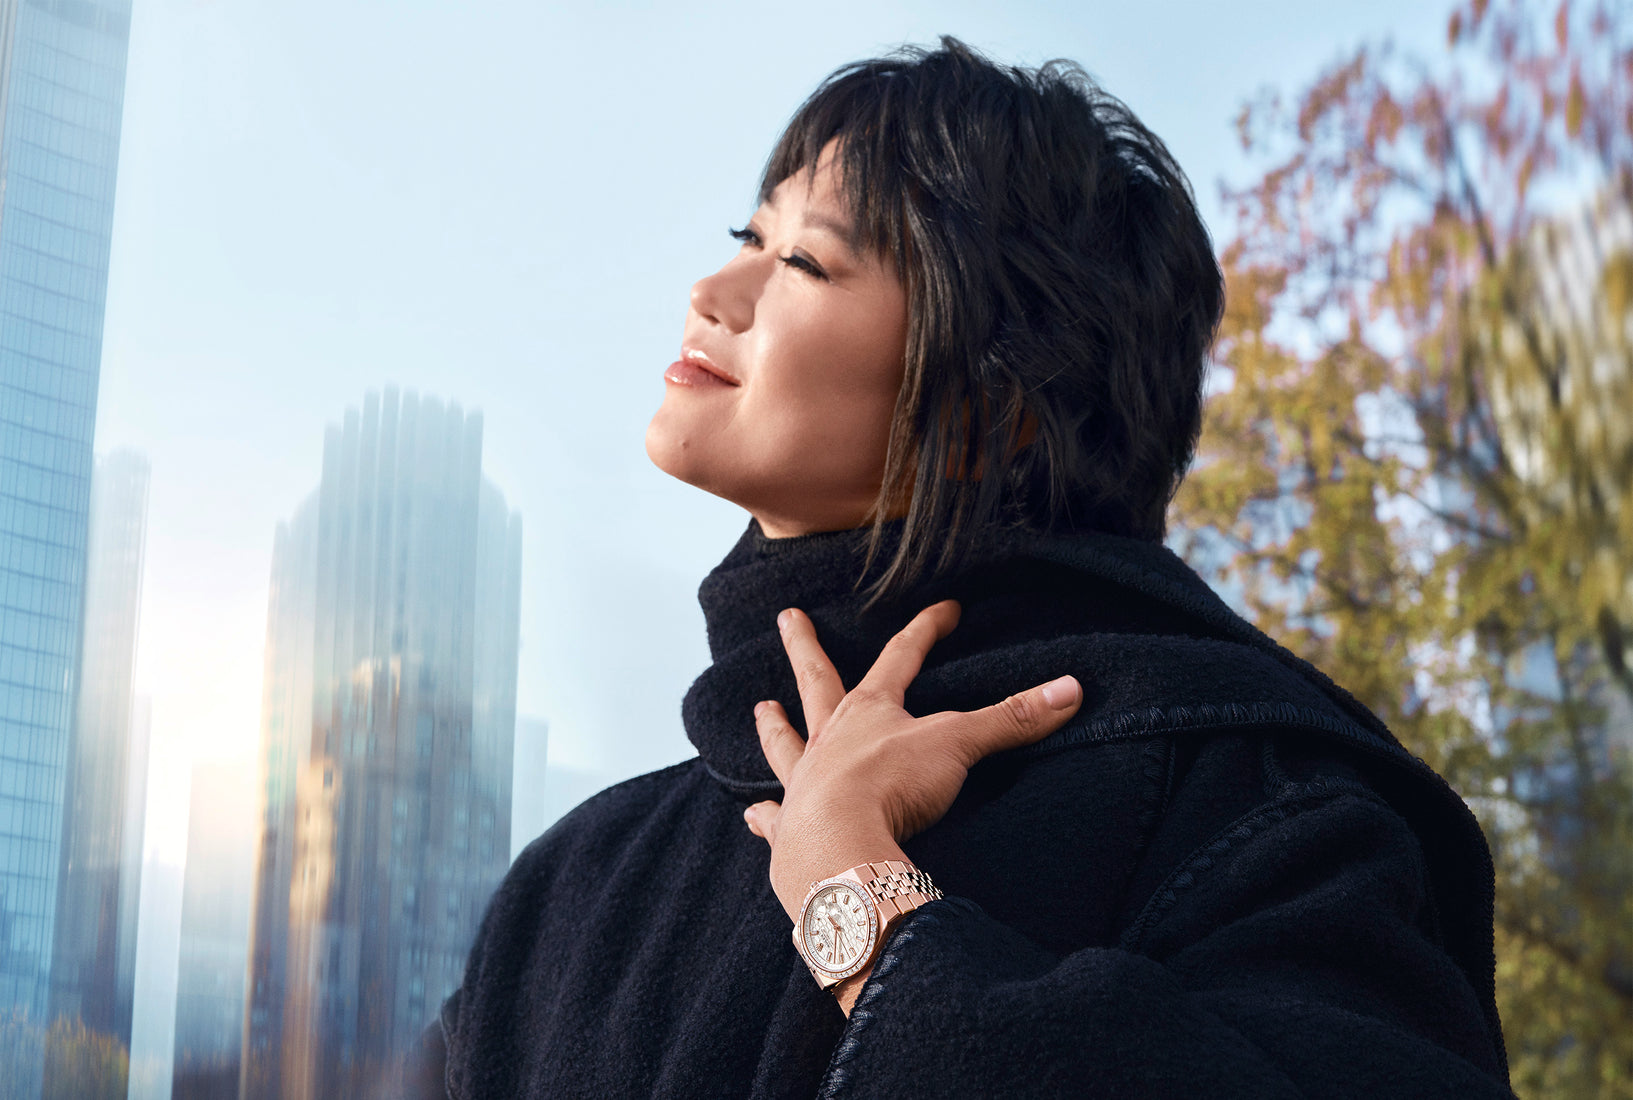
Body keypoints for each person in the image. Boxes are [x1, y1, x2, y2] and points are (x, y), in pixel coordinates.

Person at [408, 38, 1513, 1098]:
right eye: (748, 234)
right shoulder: (576, 885)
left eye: (801, 259)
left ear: (993, 407)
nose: (711, 288)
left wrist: (863, 909)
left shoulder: (1255, 803)